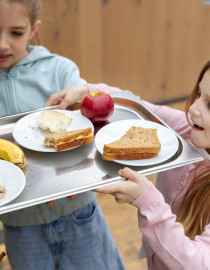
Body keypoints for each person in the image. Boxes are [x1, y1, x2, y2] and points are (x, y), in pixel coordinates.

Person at [0, 1, 125, 269]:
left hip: (78, 212)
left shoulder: (60, 70)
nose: (3, 44)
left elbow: (92, 129)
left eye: (16, 33)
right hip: (20, 225)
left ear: (34, 29)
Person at [81, 63, 210, 269]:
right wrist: (86, 90)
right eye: (198, 94)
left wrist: (148, 201)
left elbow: (198, 263)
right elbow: (140, 108)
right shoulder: (188, 130)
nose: (193, 107)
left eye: (209, 105)